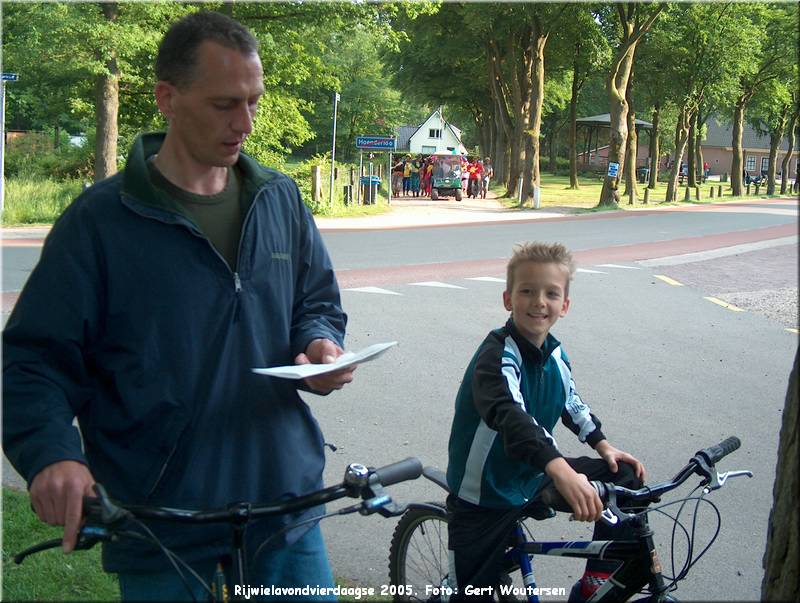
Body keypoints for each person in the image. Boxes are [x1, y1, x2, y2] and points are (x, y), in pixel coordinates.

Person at [2, 11, 355, 601]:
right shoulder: (100, 222)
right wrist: (51, 456)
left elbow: (315, 300)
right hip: (161, 517)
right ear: (168, 98)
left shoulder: (278, 198)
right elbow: (34, 361)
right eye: (224, 104)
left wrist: (320, 342)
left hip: (282, 501)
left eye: (253, 101)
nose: (244, 121)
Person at [446, 242, 646, 603]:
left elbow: (570, 402)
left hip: (533, 474)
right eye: (527, 291)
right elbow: (511, 416)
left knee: (625, 479)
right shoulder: (495, 356)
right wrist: (562, 471)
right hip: (485, 493)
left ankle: (598, 581)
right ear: (508, 299)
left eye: (551, 293)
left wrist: (603, 445)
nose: (539, 301)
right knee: (474, 595)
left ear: (564, 305)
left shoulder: (555, 353)